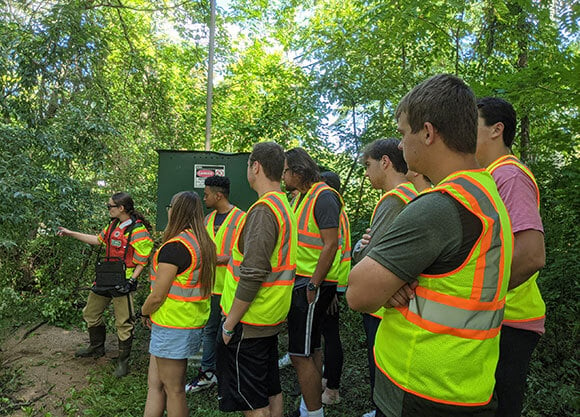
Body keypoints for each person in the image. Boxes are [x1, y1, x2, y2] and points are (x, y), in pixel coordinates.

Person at [347, 74, 514, 417]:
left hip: (420, 387)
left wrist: (390, 284)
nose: (399, 144)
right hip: (467, 384)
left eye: (403, 132)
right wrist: (396, 281)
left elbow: (358, 293)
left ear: (427, 132)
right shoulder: (487, 194)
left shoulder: (439, 206)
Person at [476, 97, 546, 417]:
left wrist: (482, 299)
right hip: (500, 317)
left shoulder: (510, 176)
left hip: (511, 319)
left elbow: (531, 255)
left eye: (471, 124)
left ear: (496, 130)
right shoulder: (490, 175)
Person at [217, 141, 297, 417]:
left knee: (252, 403)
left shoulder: (263, 211)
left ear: (256, 167)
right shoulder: (282, 205)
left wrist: (229, 325)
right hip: (267, 318)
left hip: (248, 323)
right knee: (270, 390)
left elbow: (252, 274)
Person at [351, 139, 418, 417]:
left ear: (386, 162)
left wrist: (359, 250)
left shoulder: (395, 199)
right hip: (397, 306)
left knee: (382, 373)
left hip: (381, 307)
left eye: (368, 165)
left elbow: (370, 259)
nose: (366, 173)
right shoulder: (414, 194)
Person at [57, 192, 153, 377]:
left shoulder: (138, 230)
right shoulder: (113, 225)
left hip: (123, 281)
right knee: (90, 313)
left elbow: (143, 260)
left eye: (110, 206)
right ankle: (96, 347)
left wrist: (132, 281)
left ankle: (122, 362)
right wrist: (71, 233)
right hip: (105, 277)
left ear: (121, 208)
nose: (108, 209)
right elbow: (97, 240)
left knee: (123, 322)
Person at [141, 191, 216, 417]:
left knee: (174, 390)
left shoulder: (175, 248)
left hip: (172, 325)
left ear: (175, 211)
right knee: (155, 385)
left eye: (169, 206)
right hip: (181, 323)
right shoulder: (200, 242)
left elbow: (157, 295)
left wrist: (143, 312)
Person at [283, 148, 343, 417]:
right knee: (311, 348)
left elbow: (331, 244)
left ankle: (314, 413)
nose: (283, 176)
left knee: (299, 354)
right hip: (304, 282)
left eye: (285, 171)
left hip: (310, 284)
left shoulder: (324, 196)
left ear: (298, 172)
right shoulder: (304, 197)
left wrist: (313, 285)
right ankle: (309, 407)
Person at [186, 175, 246, 393]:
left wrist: (226, 258)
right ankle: (208, 373)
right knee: (210, 331)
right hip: (210, 287)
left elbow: (250, 255)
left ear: (218, 195)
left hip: (232, 288)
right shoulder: (207, 220)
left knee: (232, 332)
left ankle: (231, 374)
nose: (205, 197)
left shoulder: (242, 218)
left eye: (207, 194)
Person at [319, 170, 351, 406]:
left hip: (332, 286)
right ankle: (325, 378)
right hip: (331, 284)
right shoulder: (338, 212)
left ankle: (332, 388)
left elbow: (338, 253)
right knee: (326, 335)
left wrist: (334, 291)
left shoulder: (334, 213)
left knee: (331, 337)